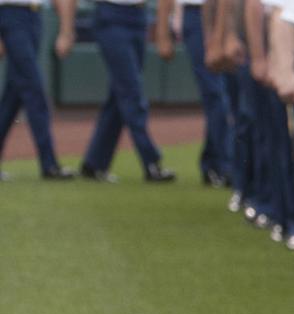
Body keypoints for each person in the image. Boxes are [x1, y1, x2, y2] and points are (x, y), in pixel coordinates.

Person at [81, 0, 176, 183]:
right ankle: (151, 161)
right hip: (111, 14)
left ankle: (94, 163)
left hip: (138, 16)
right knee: (131, 92)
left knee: (119, 95)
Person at [155, 0, 233, 187]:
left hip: (228, 12)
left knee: (225, 97)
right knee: (215, 94)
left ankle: (214, 163)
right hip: (196, 14)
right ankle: (222, 165)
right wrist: (163, 33)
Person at [0, 0, 76, 180]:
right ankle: (49, 164)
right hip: (10, 15)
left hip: (34, 16)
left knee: (12, 99)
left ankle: (49, 164)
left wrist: (66, 30)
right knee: (35, 92)